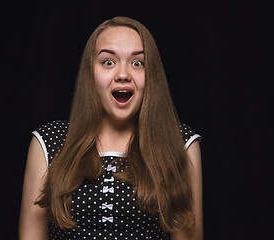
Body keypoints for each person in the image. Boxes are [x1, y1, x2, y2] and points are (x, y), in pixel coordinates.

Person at [19, 16, 203, 240]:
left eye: (137, 63)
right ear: (90, 73)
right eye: (108, 62)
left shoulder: (180, 144)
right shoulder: (50, 142)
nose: (123, 75)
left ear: (151, 75)